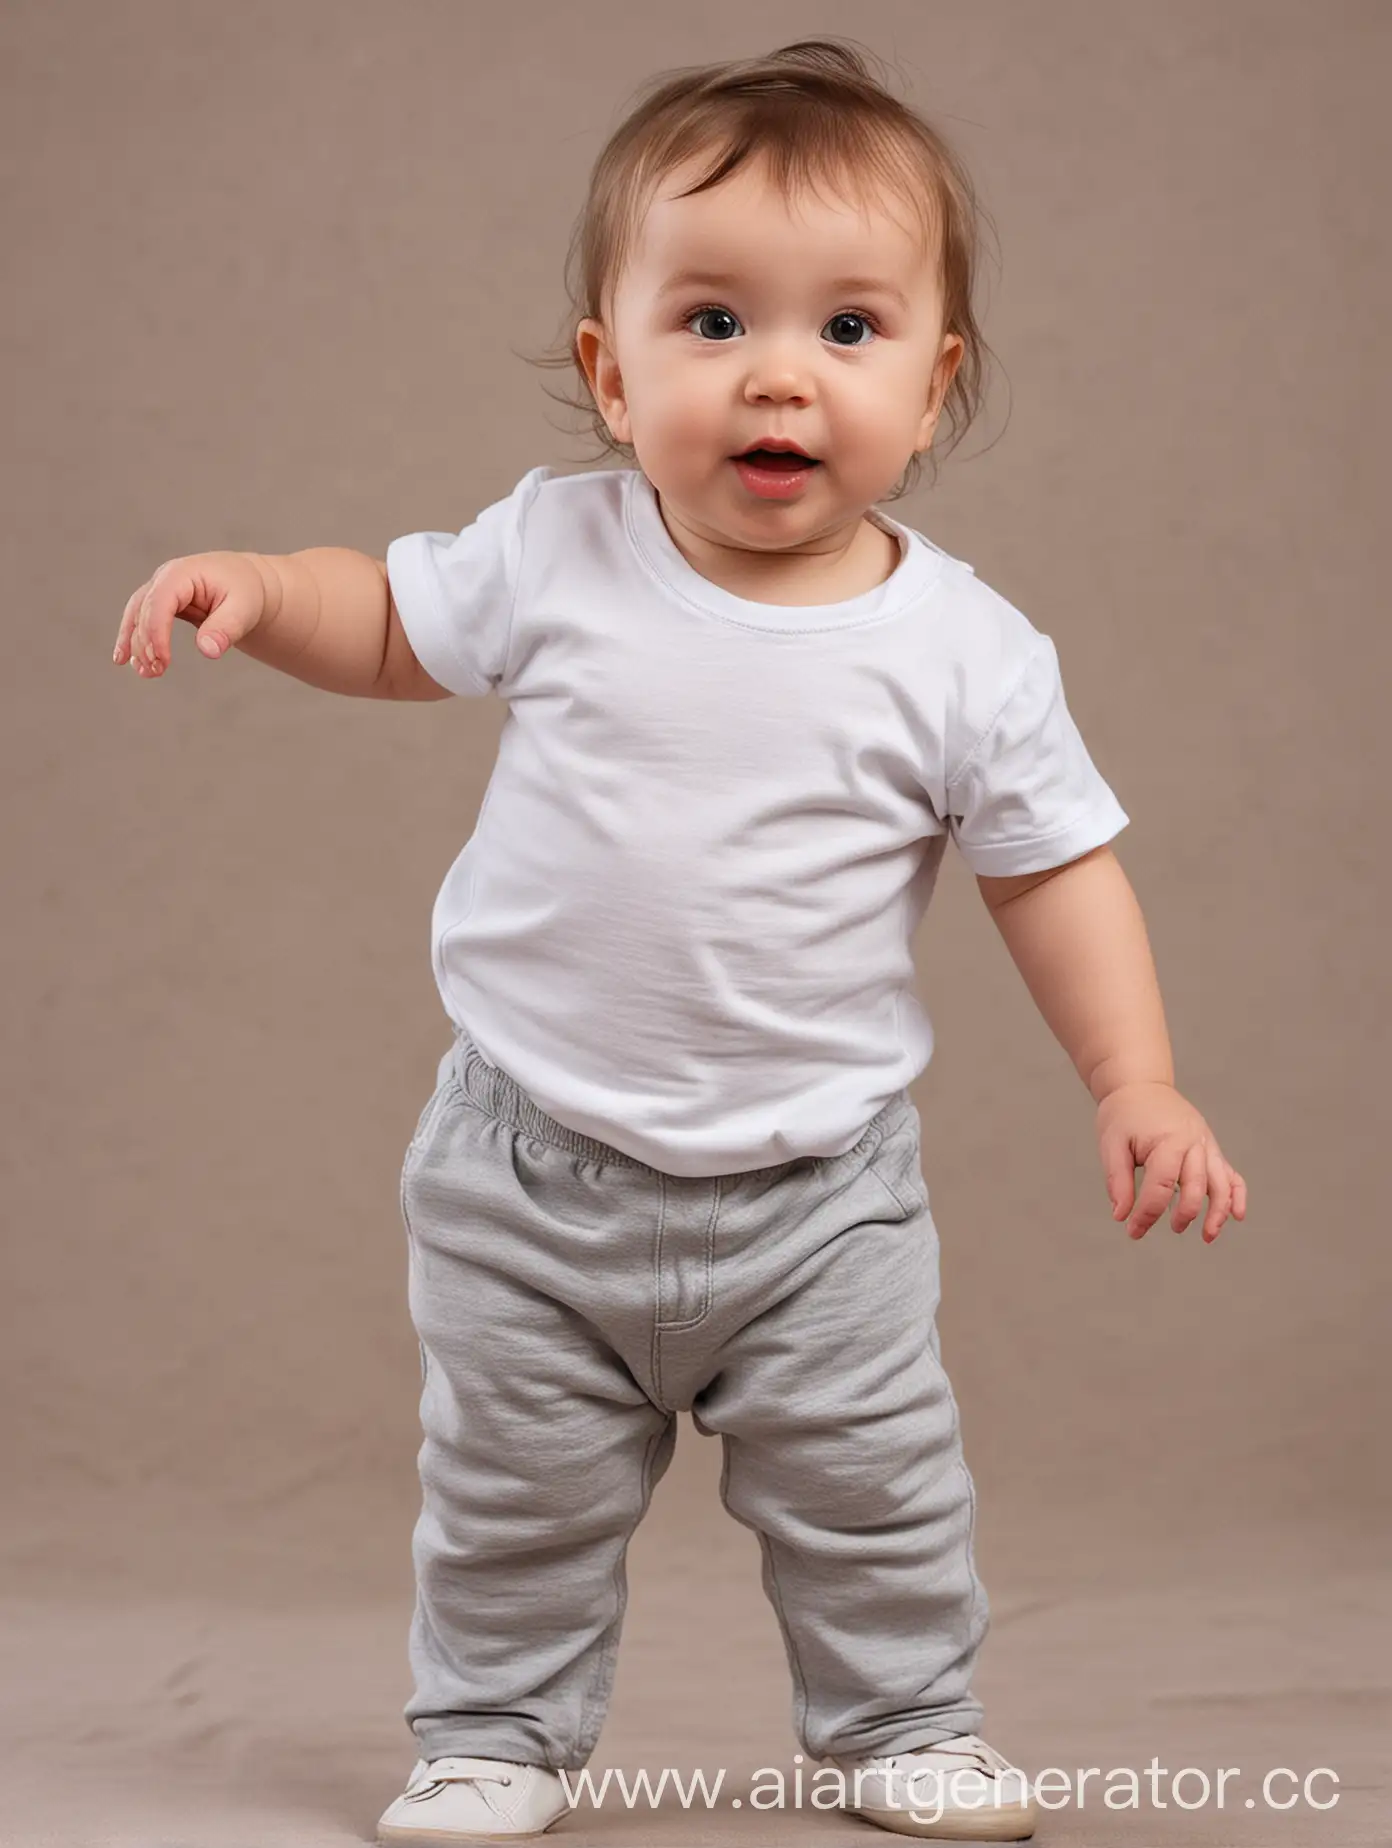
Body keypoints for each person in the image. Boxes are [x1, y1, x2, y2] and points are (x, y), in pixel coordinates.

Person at [113, 37, 1247, 1846]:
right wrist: (264, 593)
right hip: (528, 1167)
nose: (779, 375)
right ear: (610, 373)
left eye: (849, 332)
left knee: (879, 1490)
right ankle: (489, 1737)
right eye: (712, 322)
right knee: (511, 1493)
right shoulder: (561, 551)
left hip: (820, 1199)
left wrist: (1139, 1077)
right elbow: (395, 622)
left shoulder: (966, 654)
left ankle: (904, 1728)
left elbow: (1055, 872)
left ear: (936, 385)